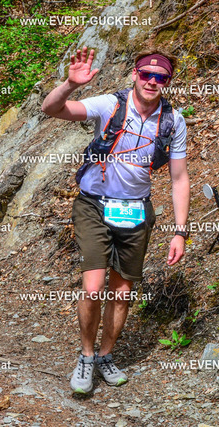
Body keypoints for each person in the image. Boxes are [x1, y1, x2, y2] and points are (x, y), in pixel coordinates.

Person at [42, 46, 189, 394]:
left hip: (136, 210)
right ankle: (86, 356)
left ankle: (106, 355)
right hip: (94, 205)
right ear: (135, 75)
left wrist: (180, 232)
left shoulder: (173, 121)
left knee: (122, 293)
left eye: (160, 77)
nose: (152, 81)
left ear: (167, 82)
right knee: (93, 288)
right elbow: (51, 109)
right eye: (146, 74)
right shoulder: (110, 105)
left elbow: (179, 178)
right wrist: (70, 84)